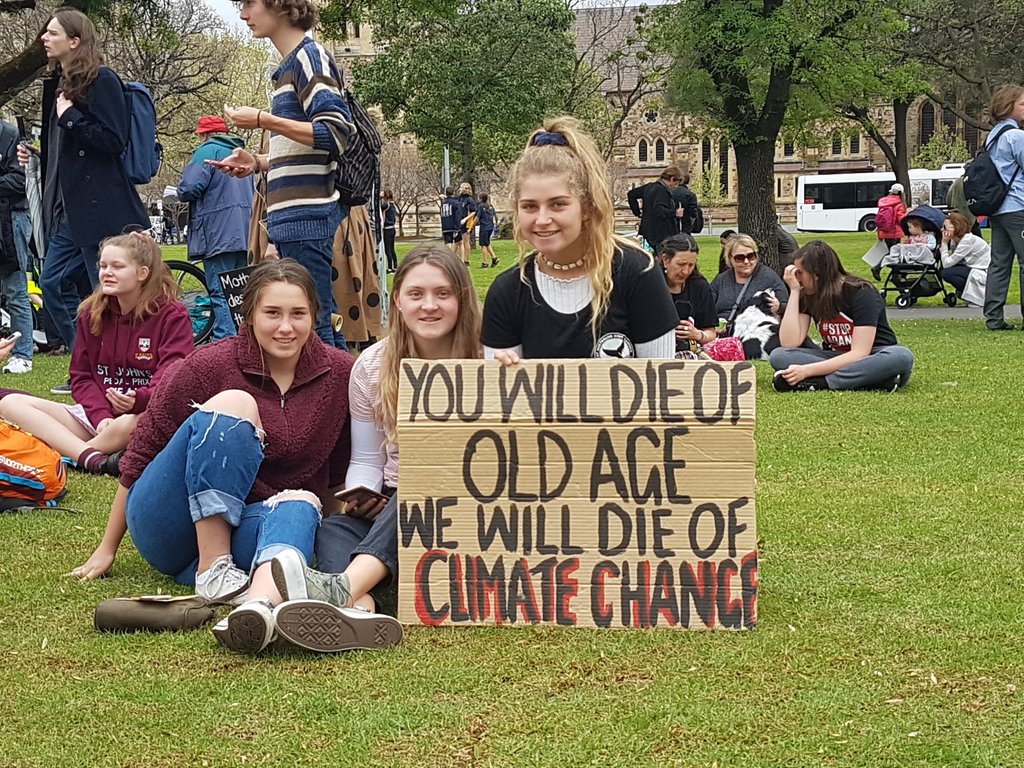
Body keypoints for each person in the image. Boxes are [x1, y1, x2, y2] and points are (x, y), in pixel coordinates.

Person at [71, 261, 399, 654]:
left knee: (302, 500)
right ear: (249, 315)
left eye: (298, 314)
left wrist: (346, 523)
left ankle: (257, 607)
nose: (285, 327)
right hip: (169, 522)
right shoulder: (208, 365)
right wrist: (107, 547)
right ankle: (213, 568)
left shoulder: (339, 373)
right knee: (235, 402)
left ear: (315, 314)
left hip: (252, 529)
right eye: (272, 313)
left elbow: (333, 478)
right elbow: (141, 454)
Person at [264, 245, 481, 652]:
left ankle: (342, 589)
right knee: (333, 528)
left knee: (422, 487)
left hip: (471, 505)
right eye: (416, 294)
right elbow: (366, 460)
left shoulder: (491, 354)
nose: (429, 305)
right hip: (395, 505)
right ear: (397, 300)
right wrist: (363, 497)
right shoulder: (372, 365)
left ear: (462, 299)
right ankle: (359, 607)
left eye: (443, 293)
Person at [17, 8, 149, 391]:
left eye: (52, 32)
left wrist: (71, 116)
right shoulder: (56, 84)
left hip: (100, 210)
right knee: (54, 283)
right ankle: (88, 368)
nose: (44, 38)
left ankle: (111, 371)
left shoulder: (102, 79)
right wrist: (40, 153)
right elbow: (71, 147)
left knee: (108, 291)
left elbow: (112, 139)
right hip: (67, 210)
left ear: (74, 41)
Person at [217, 0, 355, 349]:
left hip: (307, 219)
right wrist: (260, 162)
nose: (243, 14)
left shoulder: (311, 58)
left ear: (280, 5)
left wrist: (264, 119)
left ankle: (341, 403)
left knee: (314, 327)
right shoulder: (289, 66)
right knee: (315, 322)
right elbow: (305, 147)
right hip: (294, 221)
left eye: (249, 4)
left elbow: (336, 132)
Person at [483, 117, 677, 361]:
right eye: (530, 206)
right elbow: (499, 396)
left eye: (558, 204)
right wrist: (503, 378)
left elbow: (660, 386)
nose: (542, 219)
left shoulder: (638, 274)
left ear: (586, 207)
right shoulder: (507, 291)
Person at [0, 233, 193, 474]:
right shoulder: (92, 311)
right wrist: (101, 416)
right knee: (10, 403)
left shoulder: (171, 315)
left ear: (142, 273)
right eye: (103, 265)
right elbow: (81, 376)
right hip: (97, 418)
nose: (107, 272)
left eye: (117, 266)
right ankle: (93, 458)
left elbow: (173, 378)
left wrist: (139, 399)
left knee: (136, 421)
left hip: (142, 415)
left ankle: (72, 454)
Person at [770, 240, 914, 392]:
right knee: (779, 356)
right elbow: (789, 343)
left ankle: (821, 382)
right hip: (834, 356)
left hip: (872, 356)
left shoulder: (862, 292)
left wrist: (807, 371)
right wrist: (794, 292)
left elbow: (860, 352)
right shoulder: (808, 294)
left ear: (817, 274)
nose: (796, 278)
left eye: (800, 273)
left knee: (902, 356)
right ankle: (874, 381)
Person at [176, 115, 254, 340]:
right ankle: (244, 342)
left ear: (205, 135)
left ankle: (225, 344)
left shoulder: (206, 151)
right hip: (245, 232)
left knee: (219, 292)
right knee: (239, 292)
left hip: (218, 233)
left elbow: (189, 188)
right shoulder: (241, 153)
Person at [980, 85, 1024, 331]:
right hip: (1018, 207)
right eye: (1022, 104)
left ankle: (994, 317)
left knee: (999, 264)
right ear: (1008, 107)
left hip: (998, 209)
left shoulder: (994, 135)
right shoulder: (1016, 136)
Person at [0, 119, 34, 373]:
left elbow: (20, 179)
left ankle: (23, 353)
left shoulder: (9, 134)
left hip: (12, 220)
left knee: (15, 289)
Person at [710, 233, 787, 333]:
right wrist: (715, 324)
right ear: (730, 258)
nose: (746, 261)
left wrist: (778, 307)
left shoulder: (769, 277)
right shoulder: (721, 280)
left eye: (751, 256)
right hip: (725, 337)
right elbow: (706, 308)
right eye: (740, 258)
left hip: (756, 336)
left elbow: (788, 308)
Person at [659, 233, 717, 356]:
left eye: (691, 265)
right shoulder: (651, 285)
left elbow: (711, 332)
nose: (685, 271)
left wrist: (698, 335)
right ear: (665, 260)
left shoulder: (700, 286)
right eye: (681, 264)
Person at [626, 166, 683, 254]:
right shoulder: (662, 191)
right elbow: (659, 210)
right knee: (662, 259)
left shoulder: (649, 187)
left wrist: (637, 212)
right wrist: (675, 213)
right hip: (660, 234)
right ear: (672, 179)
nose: (675, 187)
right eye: (675, 183)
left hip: (647, 231)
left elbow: (631, 194)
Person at [939, 212, 990, 303]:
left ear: (956, 227)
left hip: (983, 271)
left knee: (946, 273)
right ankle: (966, 292)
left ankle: (970, 294)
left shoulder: (967, 241)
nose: (942, 230)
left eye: (946, 227)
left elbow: (947, 263)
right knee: (943, 270)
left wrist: (944, 244)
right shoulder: (956, 240)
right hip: (973, 267)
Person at [874, 183, 908, 280]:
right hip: (894, 232)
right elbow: (901, 219)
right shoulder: (899, 203)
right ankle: (879, 267)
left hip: (885, 231)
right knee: (893, 253)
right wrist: (908, 214)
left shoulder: (884, 202)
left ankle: (895, 273)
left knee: (891, 252)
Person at [670, 169, 701, 235]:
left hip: (672, 226)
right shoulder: (690, 194)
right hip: (686, 225)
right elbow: (693, 212)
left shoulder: (670, 193)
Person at [439, 186, 462, 257]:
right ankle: (456, 259)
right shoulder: (455, 203)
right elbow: (458, 216)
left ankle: (448, 257)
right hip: (453, 226)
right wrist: (457, 228)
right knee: (459, 243)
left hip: (445, 226)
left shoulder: (444, 203)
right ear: (453, 192)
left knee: (448, 242)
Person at [476, 192, 498, 268]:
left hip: (484, 227)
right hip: (490, 227)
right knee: (487, 243)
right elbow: (496, 216)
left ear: (481, 199)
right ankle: (494, 258)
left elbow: (477, 217)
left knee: (483, 245)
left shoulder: (481, 206)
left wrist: (472, 226)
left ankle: (485, 263)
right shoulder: (490, 206)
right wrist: (496, 223)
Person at [457, 182, 476, 264]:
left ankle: (466, 260)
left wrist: (465, 219)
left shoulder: (469, 200)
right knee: (459, 242)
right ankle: (460, 259)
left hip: (466, 223)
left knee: (466, 241)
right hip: (459, 222)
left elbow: (473, 212)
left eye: (462, 187)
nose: (460, 189)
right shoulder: (459, 198)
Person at [381, 189, 398, 273]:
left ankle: (390, 267)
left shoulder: (385, 205)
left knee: (387, 249)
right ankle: (395, 266)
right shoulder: (393, 205)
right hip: (392, 228)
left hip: (387, 229)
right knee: (392, 248)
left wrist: (380, 197)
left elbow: (379, 205)